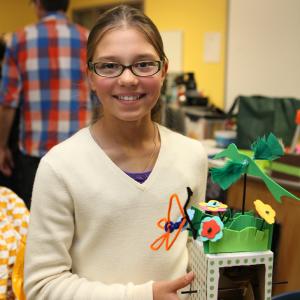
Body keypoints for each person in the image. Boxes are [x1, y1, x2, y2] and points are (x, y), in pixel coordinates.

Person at [24, 5, 208, 300]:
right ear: (90, 77)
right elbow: (41, 286)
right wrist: (144, 295)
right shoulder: (60, 167)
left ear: (163, 70)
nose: (128, 79)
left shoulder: (192, 155)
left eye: (144, 64)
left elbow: (193, 252)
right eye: (109, 66)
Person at [0, 0, 91, 208]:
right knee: (81, 220)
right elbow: (100, 98)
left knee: (37, 221)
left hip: (35, 154)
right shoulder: (88, 39)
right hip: (81, 151)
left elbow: (8, 102)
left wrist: (2, 146)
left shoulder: (18, 40)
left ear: (39, 4)